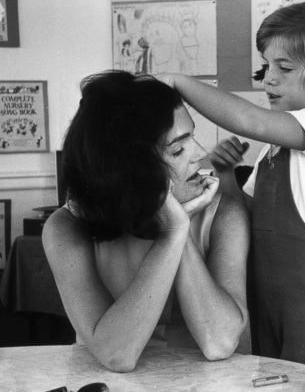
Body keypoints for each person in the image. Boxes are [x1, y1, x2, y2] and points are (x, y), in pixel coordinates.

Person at [159, 0, 305, 367]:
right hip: (271, 301)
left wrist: (177, 82)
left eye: (283, 67)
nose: (268, 78)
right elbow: (249, 212)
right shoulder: (278, 143)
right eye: (265, 66)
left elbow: (248, 121)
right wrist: (225, 176)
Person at [42, 70, 249, 372]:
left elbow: (219, 342)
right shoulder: (65, 228)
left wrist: (181, 225)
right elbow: (116, 354)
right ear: (132, 166)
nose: (200, 155)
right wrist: (174, 232)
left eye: (193, 137)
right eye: (178, 148)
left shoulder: (225, 215)